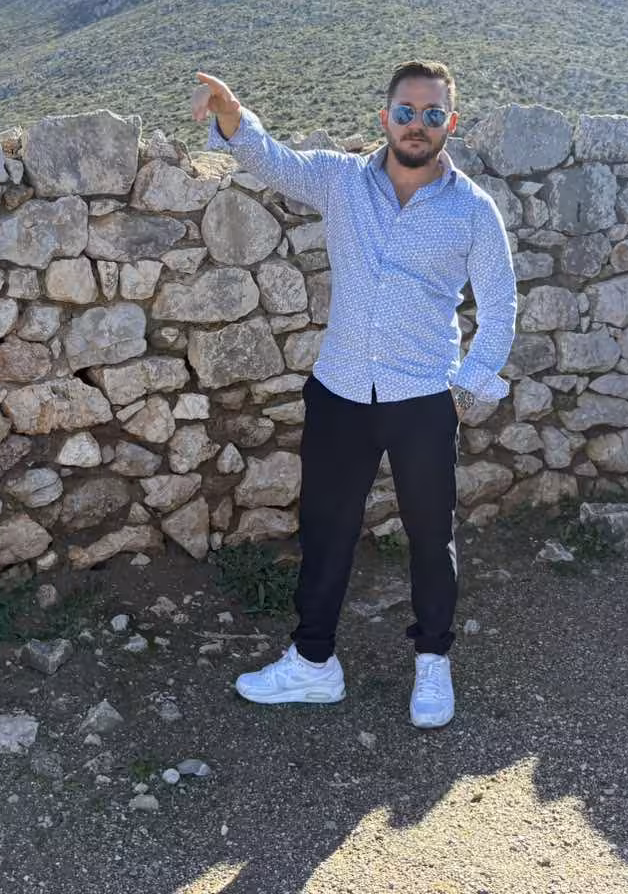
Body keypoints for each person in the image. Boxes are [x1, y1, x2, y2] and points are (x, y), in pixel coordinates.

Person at [192, 62, 517, 729]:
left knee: (431, 536)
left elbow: (502, 305)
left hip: (424, 395)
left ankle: (433, 661)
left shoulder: (472, 210)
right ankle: (313, 664)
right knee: (326, 531)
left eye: (433, 114)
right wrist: (233, 117)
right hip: (340, 390)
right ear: (385, 118)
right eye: (406, 111)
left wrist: (466, 390)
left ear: (449, 124)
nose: (418, 124)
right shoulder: (342, 180)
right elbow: (275, 163)